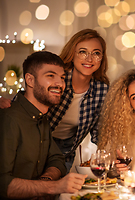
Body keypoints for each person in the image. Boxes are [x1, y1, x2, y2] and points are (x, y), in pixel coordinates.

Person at [0, 51, 86, 200]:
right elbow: (2, 184)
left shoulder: (42, 118)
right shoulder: (9, 119)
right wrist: (54, 187)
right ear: (30, 80)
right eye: (50, 76)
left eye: (62, 78)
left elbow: (57, 159)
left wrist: (45, 180)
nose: (60, 84)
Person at [0, 29, 110, 172]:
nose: (89, 59)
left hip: (66, 149)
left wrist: (109, 155)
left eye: (96, 53)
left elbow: (99, 134)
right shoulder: (58, 79)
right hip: (36, 142)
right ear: (72, 54)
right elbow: (28, 100)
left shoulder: (102, 91)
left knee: (57, 190)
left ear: (102, 58)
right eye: (83, 52)